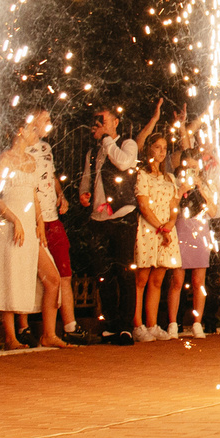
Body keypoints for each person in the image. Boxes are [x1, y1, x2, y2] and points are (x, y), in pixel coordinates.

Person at [77, 101, 155, 343]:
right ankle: (110, 323)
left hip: (122, 216)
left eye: (103, 119)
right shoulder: (94, 151)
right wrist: (84, 194)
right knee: (104, 274)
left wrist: (107, 140)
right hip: (99, 218)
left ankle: (125, 326)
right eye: (96, 120)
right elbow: (86, 179)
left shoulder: (126, 143)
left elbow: (124, 163)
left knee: (125, 271)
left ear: (115, 122)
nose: (98, 124)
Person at [0, 115, 57, 349]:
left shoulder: (31, 161)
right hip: (9, 224)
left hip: (29, 224)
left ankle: (42, 333)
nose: (36, 134)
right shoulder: (5, 159)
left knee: (38, 276)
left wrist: (40, 224)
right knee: (9, 274)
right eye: (31, 130)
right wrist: (14, 220)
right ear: (19, 130)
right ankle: (10, 337)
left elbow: (35, 196)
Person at [27, 106, 88, 344]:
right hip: (33, 218)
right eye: (46, 120)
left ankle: (70, 325)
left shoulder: (45, 148)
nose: (49, 124)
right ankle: (26, 327)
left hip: (53, 218)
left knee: (64, 272)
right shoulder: (23, 151)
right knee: (34, 275)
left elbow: (51, 177)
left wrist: (61, 195)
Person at [132, 130, 181, 341]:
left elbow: (174, 205)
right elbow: (143, 205)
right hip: (149, 229)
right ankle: (137, 324)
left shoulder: (169, 177)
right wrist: (161, 227)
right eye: (157, 147)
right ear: (149, 149)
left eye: (164, 148)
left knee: (158, 279)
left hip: (166, 231)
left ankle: (152, 324)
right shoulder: (142, 175)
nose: (161, 152)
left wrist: (170, 224)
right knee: (141, 278)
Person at [174, 122, 220, 337]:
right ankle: (173, 324)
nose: (191, 171)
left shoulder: (205, 184)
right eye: (187, 167)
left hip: (200, 231)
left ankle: (197, 323)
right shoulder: (176, 183)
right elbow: (170, 208)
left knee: (198, 281)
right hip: (181, 229)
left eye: (194, 167)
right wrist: (182, 189)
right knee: (176, 280)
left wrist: (201, 188)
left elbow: (213, 211)